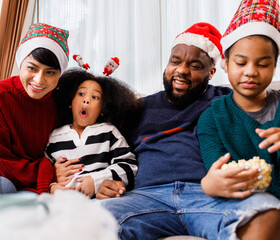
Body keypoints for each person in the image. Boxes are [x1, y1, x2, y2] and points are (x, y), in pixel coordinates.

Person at [93, 22, 280, 240]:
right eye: (175, 61)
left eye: (195, 65)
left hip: (209, 196)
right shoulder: (136, 107)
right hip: (145, 196)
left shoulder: (225, 102)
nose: (182, 70)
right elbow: (112, 153)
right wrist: (106, 180)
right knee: (89, 220)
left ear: (212, 72)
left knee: (266, 214)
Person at [198, 0, 280, 200]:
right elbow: (218, 172)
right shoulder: (212, 119)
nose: (251, 72)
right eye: (241, 62)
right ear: (225, 64)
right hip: (250, 203)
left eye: (262, 64)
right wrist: (211, 183)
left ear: (275, 65)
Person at [0, 23, 69, 194]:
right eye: (32, 68)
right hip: (6, 177)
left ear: (60, 74)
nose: (39, 80)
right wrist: (48, 173)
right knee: (2, 186)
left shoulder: (59, 104)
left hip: (39, 182)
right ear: (20, 63)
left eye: (50, 72)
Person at [45, 68, 140, 198]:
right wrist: (52, 186)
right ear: (70, 103)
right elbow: (43, 172)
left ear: (102, 109)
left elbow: (128, 166)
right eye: (81, 94)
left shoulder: (109, 131)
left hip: (99, 200)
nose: (86, 100)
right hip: (62, 202)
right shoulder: (54, 137)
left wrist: (95, 181)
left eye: (95, 97)